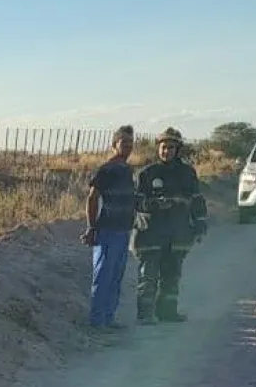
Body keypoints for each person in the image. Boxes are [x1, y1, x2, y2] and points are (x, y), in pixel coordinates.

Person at [132, 127, 208, 324]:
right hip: (150, 233)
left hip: (178, 233)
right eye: (164, 147)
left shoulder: (187, 173)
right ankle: (145, 316)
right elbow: (136, 202)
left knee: (172, 275)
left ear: (178, 149)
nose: (167, 151)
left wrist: (200, 226)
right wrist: (154, 204)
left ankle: (168, 313)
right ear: (158, 149)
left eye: (171, 148)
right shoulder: (146, 174)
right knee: (148, 277)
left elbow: (197, 200)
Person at [80, 125, 135, 330]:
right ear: (114, 145)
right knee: (102, 278)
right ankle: (96, 323)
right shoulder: (107, 169)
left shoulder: (127, 170)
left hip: (123, 231)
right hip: (107, 231)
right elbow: (92, 198)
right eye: (124, 143)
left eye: (130, 144)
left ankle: (108, 319)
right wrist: (91, 227)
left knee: (115, 278)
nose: (127, 147)